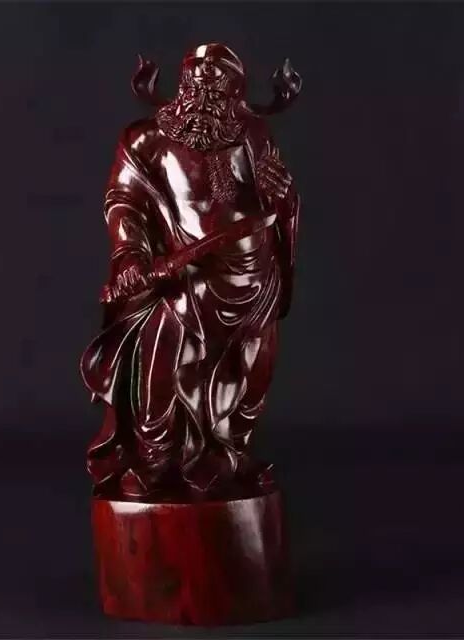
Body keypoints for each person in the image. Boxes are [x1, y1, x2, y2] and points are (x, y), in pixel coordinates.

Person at [81, 43, 300, 499]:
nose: (203, 93)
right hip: (186, 277)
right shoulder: (146, 139)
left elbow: (276, 203)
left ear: (236, 93)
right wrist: (130, 254)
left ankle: (230, 452)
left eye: (216, 85)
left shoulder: (253, 134)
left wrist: (282, 197)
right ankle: (154, 456)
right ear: (181, 86)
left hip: (255, 279)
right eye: (195, 81)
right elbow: (123, 201)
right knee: (160, 362)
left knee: (254, 373)